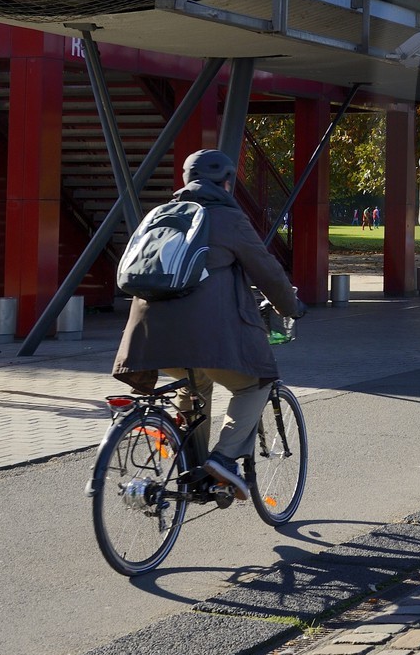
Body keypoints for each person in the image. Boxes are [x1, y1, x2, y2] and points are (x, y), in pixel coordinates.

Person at [111, 149, 305, 501]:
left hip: (148, 338)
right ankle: (223, 460)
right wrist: (292, 306)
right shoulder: (228, 219)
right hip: (207, 338)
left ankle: (194, 472)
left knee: (193, 386)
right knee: (256, 384)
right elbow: (267, 271)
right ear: (227, 183)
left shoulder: (158, 215)